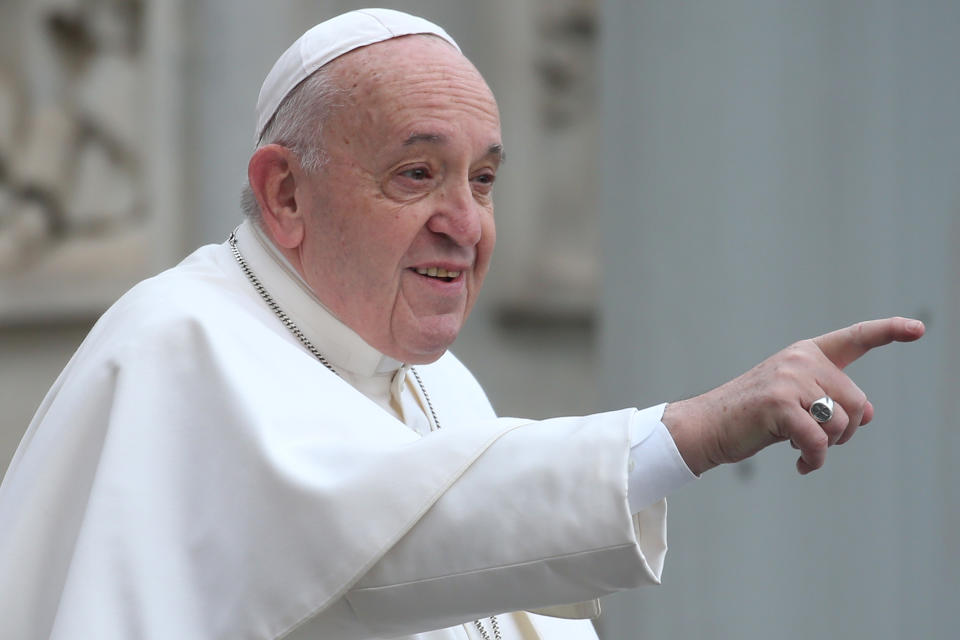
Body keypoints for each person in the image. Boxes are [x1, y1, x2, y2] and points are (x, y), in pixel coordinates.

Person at [0, 9, 924, 640]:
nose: (466, 223)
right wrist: (695, 431)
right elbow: (394, 539)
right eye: (416, 174)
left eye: (482, 180)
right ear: (285, 192)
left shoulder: (435, 380)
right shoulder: (176, 348)